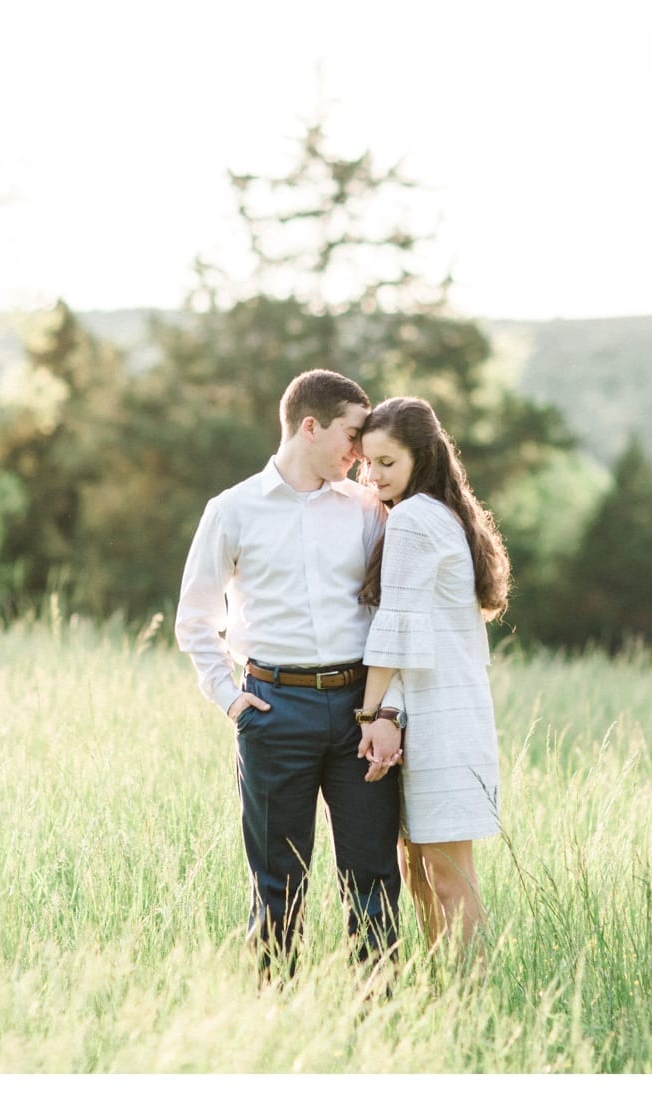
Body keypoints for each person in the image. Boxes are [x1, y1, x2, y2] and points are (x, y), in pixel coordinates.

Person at [175, 369, 403, 977]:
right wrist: (229, 697)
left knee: (374, 878)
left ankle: (378, 1024)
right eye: (352, 436)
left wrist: (388, 711)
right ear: (310, 426)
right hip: (275, 711)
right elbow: (194, 619)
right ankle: (275, 1022)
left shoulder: (366, 509)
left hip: (360, 707)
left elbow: (393, 616)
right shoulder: (232, 510)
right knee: (278, 883)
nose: (360, 454)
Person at [352, 396, 511, 954]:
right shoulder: (439, 512)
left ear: (423, 457)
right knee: (419, 871)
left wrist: (369, 714)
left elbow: (395, 630)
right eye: (366, 463)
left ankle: (467, 1000)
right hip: (434, 711)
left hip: (442, 718)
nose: (372, 476)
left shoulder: (417, 518)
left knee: (446, 877)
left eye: (387, 463)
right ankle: (443, 993)